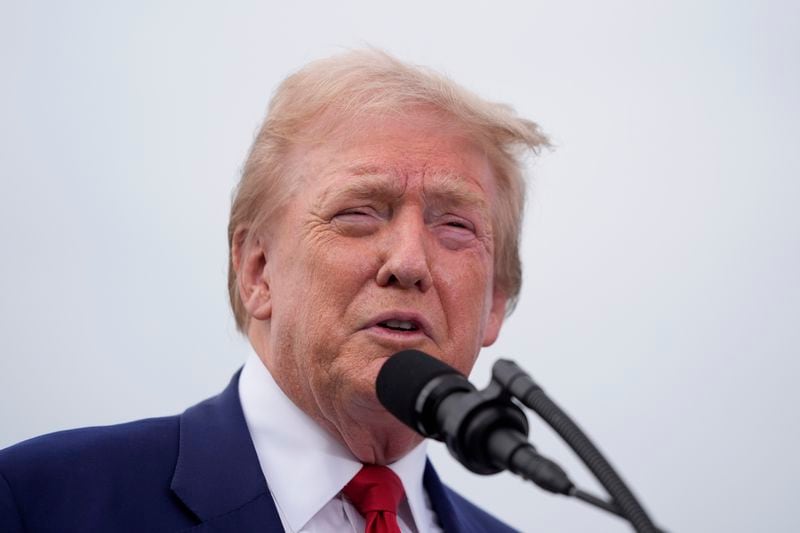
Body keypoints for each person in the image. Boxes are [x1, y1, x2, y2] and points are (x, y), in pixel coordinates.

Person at [0, 49, 548, 532]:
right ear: (257, 271)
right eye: (358, 213)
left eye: (454, 226)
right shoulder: (38, 501)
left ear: (494, 302)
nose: (408, 263)